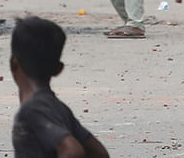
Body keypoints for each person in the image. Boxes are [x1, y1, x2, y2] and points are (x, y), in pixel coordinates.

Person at [9, 16, 109, 158]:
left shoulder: (31, 111)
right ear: (58, 69)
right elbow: (99, 153)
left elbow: (72, 151)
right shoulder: (58, 108)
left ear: (13, 63)